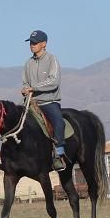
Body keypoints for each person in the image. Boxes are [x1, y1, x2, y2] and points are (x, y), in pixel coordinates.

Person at [21, 30, 66, 171]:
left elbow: (54, 81)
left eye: (34, 43)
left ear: (44, 44)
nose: (31, 45)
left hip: (49, 102)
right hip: (31, 103)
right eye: (30, 43)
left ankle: (59, 156)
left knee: (59, 123)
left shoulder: (52, 59)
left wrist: (33, 88)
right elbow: (25, 82)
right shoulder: (28, 63)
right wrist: (25, 89)